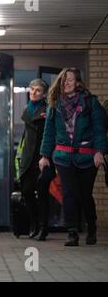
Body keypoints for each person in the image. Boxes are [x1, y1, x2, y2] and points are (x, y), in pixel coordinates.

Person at [39, 67, 106, 246]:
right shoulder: (54, 104)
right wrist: (45, 155)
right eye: (63, 80)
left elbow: (100, 129)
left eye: (70, 80)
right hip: (63, 157)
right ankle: (72, 232)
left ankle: (91, 228)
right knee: (68, 193)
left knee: (85, 195)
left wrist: (100, 152)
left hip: (87, 158)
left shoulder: (91, 103)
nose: (66, 83)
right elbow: (49, 132)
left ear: (77, 83)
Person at [18, 79, 51, 241]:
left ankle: (43, 228)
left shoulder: (48, 110)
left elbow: (51, 134)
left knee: (42, 193)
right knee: (26, 192)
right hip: (28, 159)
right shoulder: (27, 110)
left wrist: (46, 156)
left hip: (43, 158)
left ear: (44, 94)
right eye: (31, 89)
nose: (33, 92)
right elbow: (26, 138)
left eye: (38, 90)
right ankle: (34, 224)